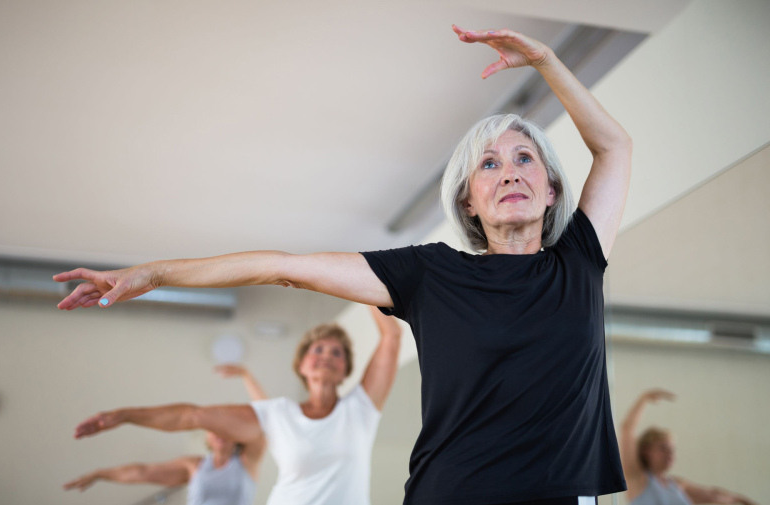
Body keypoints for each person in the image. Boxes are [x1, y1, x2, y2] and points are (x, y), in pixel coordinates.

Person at [55, 26, 631, 504]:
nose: (509, 172)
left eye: (525, 158)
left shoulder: (579, 262)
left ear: (552, 189)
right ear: (468, 202)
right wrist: (154, 275)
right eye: (489, 165)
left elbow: (614, 147)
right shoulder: (430, 275)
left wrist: (546, 61)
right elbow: (284, 267)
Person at [71, 307, 402, 505]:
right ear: (301, 364)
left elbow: (391, 337)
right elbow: (193, 415)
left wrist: (369, 278)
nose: (327, 357)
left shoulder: (360, 409)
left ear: (345, 368)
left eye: (337, 353)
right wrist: (125, 415)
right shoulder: (277, 414)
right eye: (318, 350)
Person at [64, 366, 268, 504]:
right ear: (206, 436)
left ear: (236, 435)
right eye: (213, 430)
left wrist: (246, 375)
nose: (219, 433)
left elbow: (268, 416)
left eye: (225, 430)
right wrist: (100, 474)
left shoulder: (248, 460)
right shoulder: (193, 466)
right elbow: (142, 472)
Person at [620, 389, 758, 505]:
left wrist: (742, 500)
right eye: (663, 448)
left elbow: (712, 495)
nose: (670, 454)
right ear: (646, 450)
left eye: (672, 450)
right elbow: (627, 430)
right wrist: (644, 399)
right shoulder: (637, 479)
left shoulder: (677, 485)